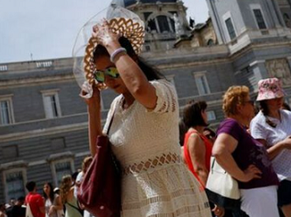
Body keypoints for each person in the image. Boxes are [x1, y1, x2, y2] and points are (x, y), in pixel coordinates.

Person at [81, 17, 211, 217]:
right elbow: (99, 156)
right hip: (133, 203)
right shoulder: (116, 107)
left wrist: (111, 42)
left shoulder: (161, 89)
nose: (107, 79)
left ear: (130, 59)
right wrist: (93, 109)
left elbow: (139, 88)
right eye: (100, 75)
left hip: (169, 196)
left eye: (113, 69)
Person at [250, 78, 291, 217]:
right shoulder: (257, 123)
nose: (279, 99)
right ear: (265, 100)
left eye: (280, 95)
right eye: (274, 97)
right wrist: (282, 145)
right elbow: (260, 158)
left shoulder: (288, 115)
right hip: (282, 178)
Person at [213, 85, 280, 217]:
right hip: (256, 192)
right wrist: (242, 176)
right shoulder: (231, 125)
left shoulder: (238, 128)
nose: (253, 106)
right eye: (250, 102)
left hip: (259, 192)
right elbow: (219, 151)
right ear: (239, 107)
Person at [182, 100, 224, 217]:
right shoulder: (194, 136)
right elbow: (200, 169)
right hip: (209, 193)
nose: (206, 114)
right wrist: (215, 199)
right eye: (204, 111)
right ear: (198, 114)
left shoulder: (196, 135)